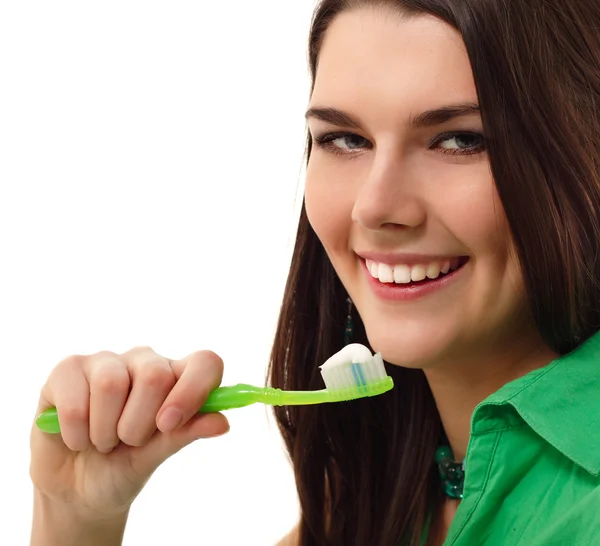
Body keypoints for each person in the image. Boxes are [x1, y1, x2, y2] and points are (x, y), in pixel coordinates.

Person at [30, 0, 600, 544]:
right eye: (345, 139)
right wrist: (75, 516)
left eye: (460, 140)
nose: (374, 207)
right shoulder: (381, 488)